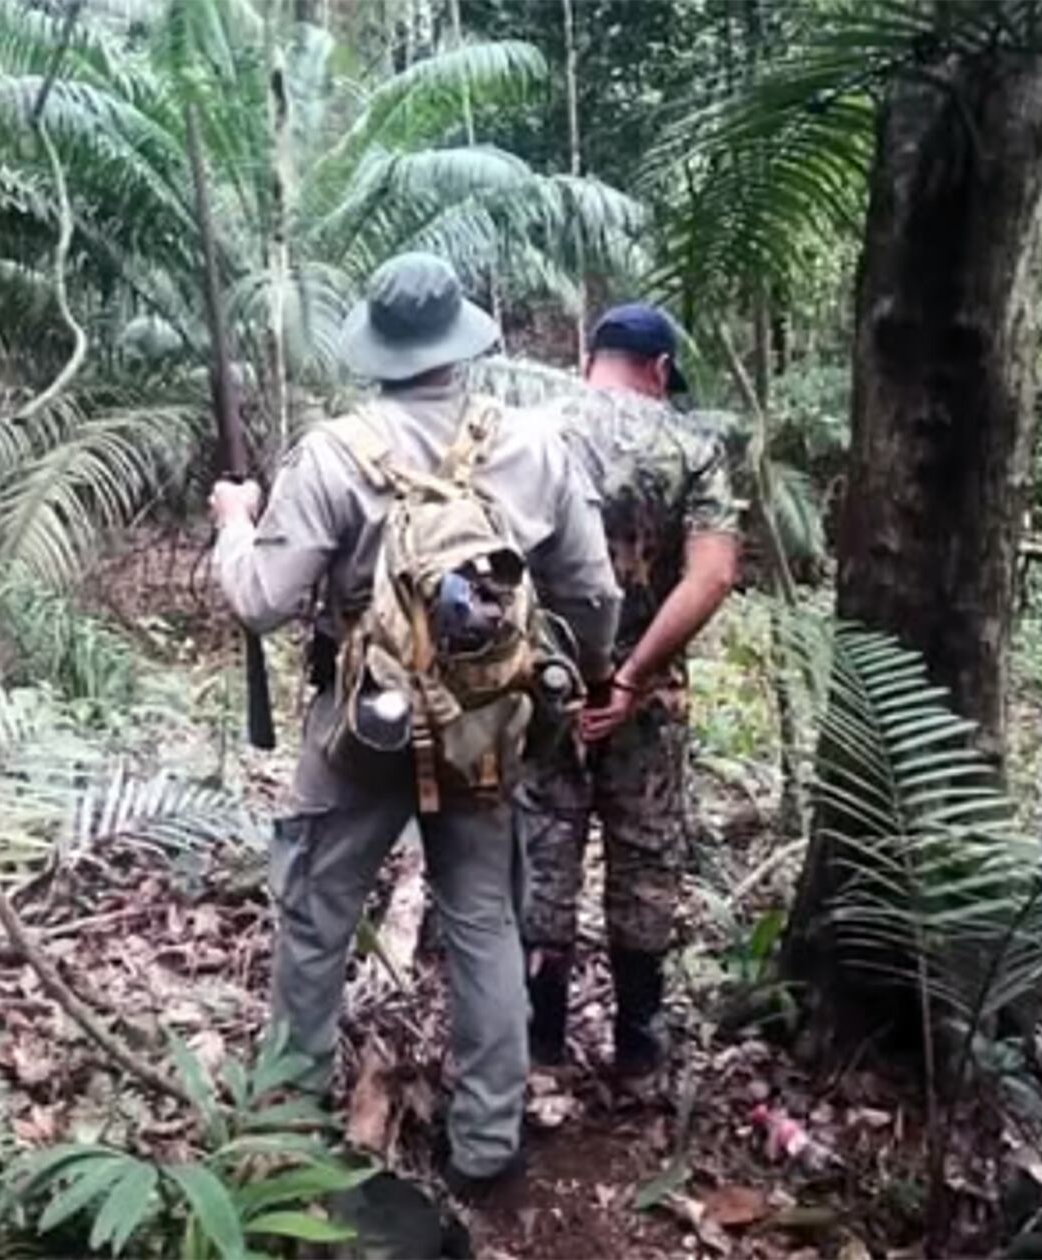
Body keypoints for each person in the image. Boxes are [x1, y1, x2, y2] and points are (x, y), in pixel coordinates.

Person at [209, 252, 621, 1196]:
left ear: (378, 349)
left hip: (362, 730)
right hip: (485, 727)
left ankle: (289, 1127)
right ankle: (487, 1144)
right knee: (482, 921)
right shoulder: (536, 447)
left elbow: (261, 600)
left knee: (317, 916)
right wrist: (588, 680)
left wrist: (236, 519)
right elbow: (593, 595)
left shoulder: (332, 454)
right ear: (460, 341)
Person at [520, 302, 741, 1083]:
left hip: (543, 688)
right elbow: (713, 575)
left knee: (543, 852)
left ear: (591, 359)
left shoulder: (535, 434)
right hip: (647, 695)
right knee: (646, 858)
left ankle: (540, 1045)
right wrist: (630, 675)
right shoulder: (694, 446)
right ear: (660, 369)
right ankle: (640, 1051)